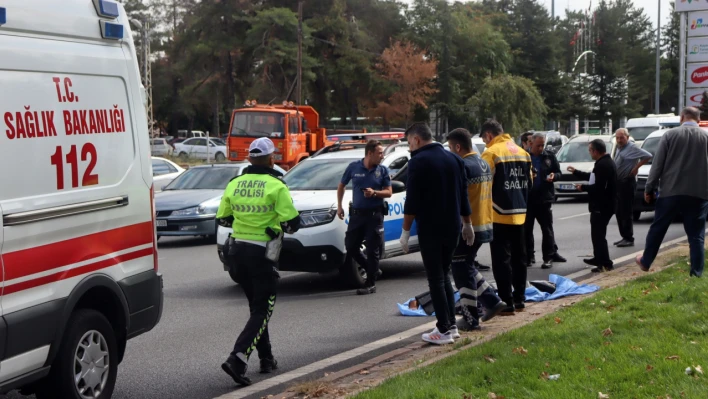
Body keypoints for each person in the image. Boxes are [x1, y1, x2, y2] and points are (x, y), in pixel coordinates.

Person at [217, 137, 301, 386]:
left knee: (256, 309)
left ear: (249, 158)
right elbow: (293, 224)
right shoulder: (277, 185)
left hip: (237, 254)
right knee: (263, 310)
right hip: (262, 255)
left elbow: (223, 218)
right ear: (272, 159)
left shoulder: (235, 184)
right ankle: (237, 359)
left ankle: (266, 358)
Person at [399, 123, 474, 345]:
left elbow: (411, 201)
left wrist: (405, 231)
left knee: (436, 278)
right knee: (445, 275)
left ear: (416, 139)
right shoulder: (455, 159)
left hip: (431, 227)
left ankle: (443, 328)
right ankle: (450, 325)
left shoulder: (418, 162)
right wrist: (467, 223)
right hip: (452, 227)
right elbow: (463, 195)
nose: (409, 146)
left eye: (409, 142)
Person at [446, 128, 508, 330]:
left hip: (468, 227)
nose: (449, 151)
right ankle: (491, 300)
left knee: (460, 271)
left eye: (450, 147)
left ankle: (471, 318)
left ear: (457, 146)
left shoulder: (462, 166)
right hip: (484, 224)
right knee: (467, 265)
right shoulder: (483, 162)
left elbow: (458, 198)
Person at [637, 107, 708, 277]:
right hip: (698, 193)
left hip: (671, 191)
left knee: (659, 227)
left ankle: (646, 261)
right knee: (696, 235)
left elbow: (657, 165)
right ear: (698, 120)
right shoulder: (706, 136)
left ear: (682, 117)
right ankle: (696, 272)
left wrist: (649, 188)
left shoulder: (669, 135)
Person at [480, 119, 532, 314]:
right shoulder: (523, 153)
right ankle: (520, 298)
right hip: (520, 214)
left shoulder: (491, 153)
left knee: (501, 261)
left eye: (485, 139)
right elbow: (529, 183)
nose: (486, 143)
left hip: (498, 215)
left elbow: (483, 185)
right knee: (520, 258)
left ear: (489, 135)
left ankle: (506, 301)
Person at [337, 140, 392, 295]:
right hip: (357, 215)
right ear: (370, 153)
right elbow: (341, 185)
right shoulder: (354, 167)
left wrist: (375, 193)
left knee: (373, 249)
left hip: (375, 216)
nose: (382, 156)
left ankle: (370, 283)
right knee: (351, 246)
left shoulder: (382, 171)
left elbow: (389, 192)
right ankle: (372, 269)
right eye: (379, 153)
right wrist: (339, 206)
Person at [567, 139, 617, 272]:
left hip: (602, 206)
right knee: (596, 235)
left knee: (599, 235)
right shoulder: (603, 163)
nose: (589, 153)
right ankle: (598, 258)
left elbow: (599, 187)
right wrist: (576, 172)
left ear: (595, 151)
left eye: (590, 150)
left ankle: (606, 263)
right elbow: (593, 176)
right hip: (602, 205)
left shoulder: (604, 164)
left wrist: (583, 187)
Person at [526, 133, 567, 269]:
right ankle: (528, 256)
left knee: (547, 229)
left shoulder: (549, 156)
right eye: (538, 145)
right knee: (526, 230)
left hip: (544, 198)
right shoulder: (524, 156)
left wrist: (554, 176)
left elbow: (559, 173)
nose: (541, 148)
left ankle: (548, 257)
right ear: (530, 143)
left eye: (543, 145)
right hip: (528, 199)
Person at [612, 128, 652, 247]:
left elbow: (648, 155)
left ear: (627, 137)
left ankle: (629, 238)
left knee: (626, 211)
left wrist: (636, 168)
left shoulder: (632, 147)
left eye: (622, 138)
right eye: (617, 138)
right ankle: (624, 236)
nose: (619, 140)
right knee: (618, 211)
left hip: (627, 182)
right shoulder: (620, 147)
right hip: (618, 182)